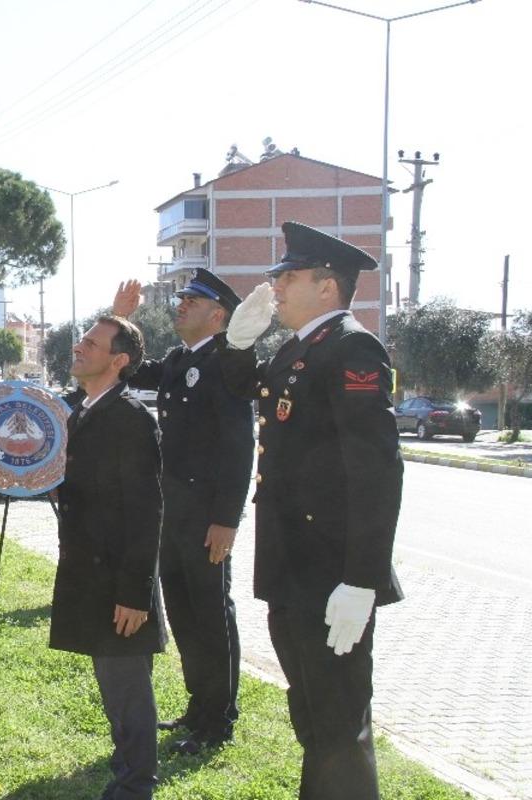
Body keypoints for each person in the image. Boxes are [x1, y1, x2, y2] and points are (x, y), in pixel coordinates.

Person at [218, 221, 404, 800]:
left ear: (327, 286)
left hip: (329, 572)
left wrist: (362, 579)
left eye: (289, 276)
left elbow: (377, 472)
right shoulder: (300, 347)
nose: (275, 285)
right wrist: (237, 345)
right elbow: (246, 393)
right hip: (294, 567)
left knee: (338, 723)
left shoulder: (352, 348)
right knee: (314, 717)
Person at [111, 269, 253, 754]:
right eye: (182, 298)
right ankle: (199, 706)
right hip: (172, 513)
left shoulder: (227, 362)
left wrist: (226, 520)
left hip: (207, 518)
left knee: (211, 614)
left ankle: (218, 720)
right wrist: (120, 320)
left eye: (192, 300)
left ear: (218, 314)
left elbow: (239, 446)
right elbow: (128, 368)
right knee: (185, 614)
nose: (180, 304)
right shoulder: (178, 359)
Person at [50, 316, 165, 800]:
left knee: (127, 688)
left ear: (118, 361)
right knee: (115, 689)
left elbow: (146, 511)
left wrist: (135, 594)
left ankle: (136, 786)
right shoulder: (84, 411)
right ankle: (126, 772)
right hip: (92, 574)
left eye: (92, 343)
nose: (79, 347)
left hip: (119, 581)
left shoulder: (131, 418)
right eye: (82, 339)